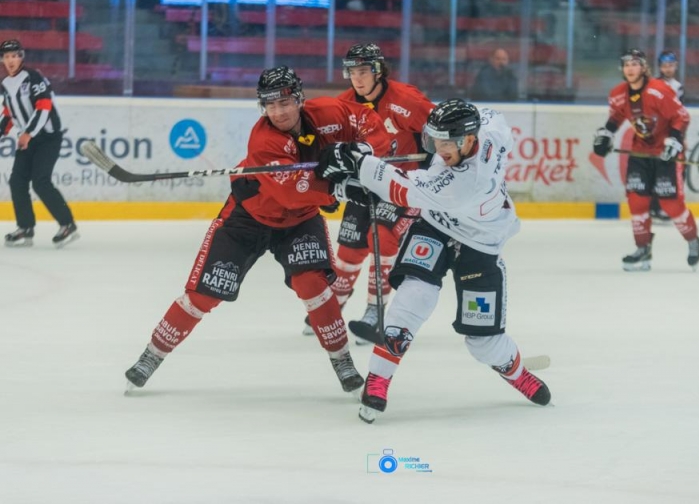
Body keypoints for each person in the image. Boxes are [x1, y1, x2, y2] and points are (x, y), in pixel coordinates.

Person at [124, 66, 392, 395]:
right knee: (203, 295)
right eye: (270, 105)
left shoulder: (329, 112)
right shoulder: (263, 140)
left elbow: (369, 123)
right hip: (247, 219)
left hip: (299, 221)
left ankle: (342, 361)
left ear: (299, 99)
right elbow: (291, 192)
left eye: (284, 103)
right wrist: (341, 188)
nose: (278, 112)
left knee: (313, 285)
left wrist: (364, 152)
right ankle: (152, 355)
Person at [315, 98, 552, 424]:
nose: (439, 150)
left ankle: (517, 373)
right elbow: (492, 116)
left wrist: (359, 162)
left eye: (446, 143)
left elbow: (404, 189)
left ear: (469, 139)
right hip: (436, 227)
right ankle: (379, 378)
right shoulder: (489, 132)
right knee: (414, 296)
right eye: (435, 140)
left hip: (481, 244)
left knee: (483, 343)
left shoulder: (468, 181)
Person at [305, 43, 434, 342]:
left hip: (404, 185)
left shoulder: (406, 99)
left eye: (364, 71)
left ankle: (375, 311)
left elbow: (440, 130)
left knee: (383, 237)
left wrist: (433, 168)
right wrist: (327, 187)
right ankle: (334, 307)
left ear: (378, 71)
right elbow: (328, 149)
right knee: (350, 248)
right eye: (352, 72)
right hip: (364, 183)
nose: (358, 78)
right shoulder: (344, 104)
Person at [593, 49, 699, 272]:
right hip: (640, 153)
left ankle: (693, 240)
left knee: (670, 204)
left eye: (634, 64)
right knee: (637, 201)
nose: (630, 69)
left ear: (643, 67)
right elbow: (617, 116)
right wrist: (607, 134)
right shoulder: (618, 93)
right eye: (626, 65)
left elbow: (681, 117)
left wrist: (674, 141)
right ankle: (643, 249)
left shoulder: (659, 90)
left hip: (666, 154)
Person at [1, 39, 78, 248]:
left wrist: (27, 133)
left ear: (21, 57)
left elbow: (44, 106)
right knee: (17, 181)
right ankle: (25, 228)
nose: (10, 60)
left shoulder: (34, 77)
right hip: (28, 139)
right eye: (6, 57)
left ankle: (67, 224)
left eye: (14, 56)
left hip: (48, 138)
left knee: (40, 181)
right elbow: (9, 113)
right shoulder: (5, 85)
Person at [650, 50, 684, 223]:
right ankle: (653, 208)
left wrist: (679, 136)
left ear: (676, 66)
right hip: (655, 133)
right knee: (654, 170)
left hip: (670, 133)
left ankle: (662, 207)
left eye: (671, 65)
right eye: (665, 66)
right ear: (660, 67)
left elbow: (679, 114)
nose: (668, 69)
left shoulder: (678, 87)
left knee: (667, 171)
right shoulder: (653, 84)